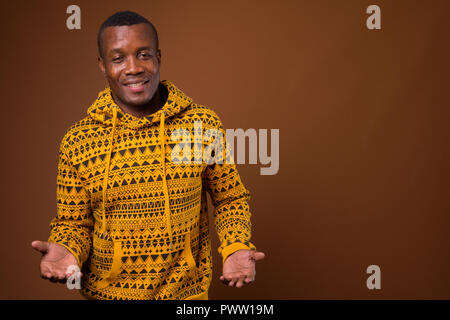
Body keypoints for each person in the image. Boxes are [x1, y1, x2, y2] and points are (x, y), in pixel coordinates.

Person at [31, 10, 265, 300]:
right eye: (118, 58)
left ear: (158, 57)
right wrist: (66, 248)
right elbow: (74, 223)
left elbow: (230, 198)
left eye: (143, 55)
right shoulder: (79, 141)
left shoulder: (201, 126)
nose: (133, 68)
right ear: (103, 65)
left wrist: (235, 246)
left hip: (185, 298)